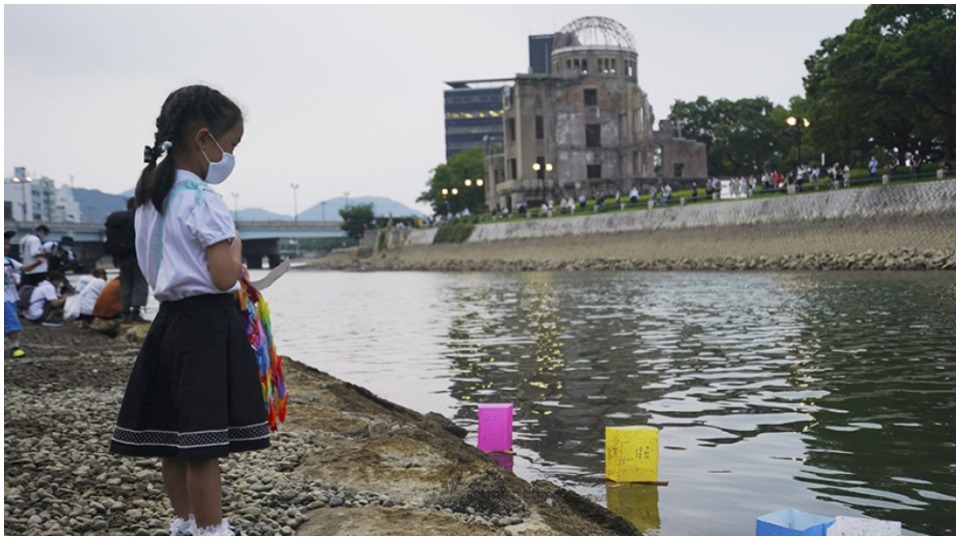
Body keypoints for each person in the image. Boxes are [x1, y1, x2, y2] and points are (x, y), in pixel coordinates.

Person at [109, 85, 269, 537]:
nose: (230, 155)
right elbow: (223, 276)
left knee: (172, 437)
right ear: (204, 139)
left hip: (169, 323)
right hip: (206, 325)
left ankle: (184, 522)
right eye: (230, 145)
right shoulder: (202, 199)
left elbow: (153, 265)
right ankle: (212, 529)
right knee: (203, 443)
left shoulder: (149, 199)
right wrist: (236, 247)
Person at [106, 197, 149, 322]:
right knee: (140, 283)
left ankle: (125, 312)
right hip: (138, 256)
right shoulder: (140, 217)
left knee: (126, 283)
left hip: (121, 257)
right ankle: (136, 312)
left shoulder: (117, 219)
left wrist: (114, 256)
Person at [5, 230, 41, 357]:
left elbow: (23, 268)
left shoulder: (8, 260)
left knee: (11, 321)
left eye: (8, 243)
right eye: (4, 243)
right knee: (11, 321)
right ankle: (14, 347)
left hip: (10, 297)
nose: (7, 246)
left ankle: (14, 346)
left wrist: (36, 264)